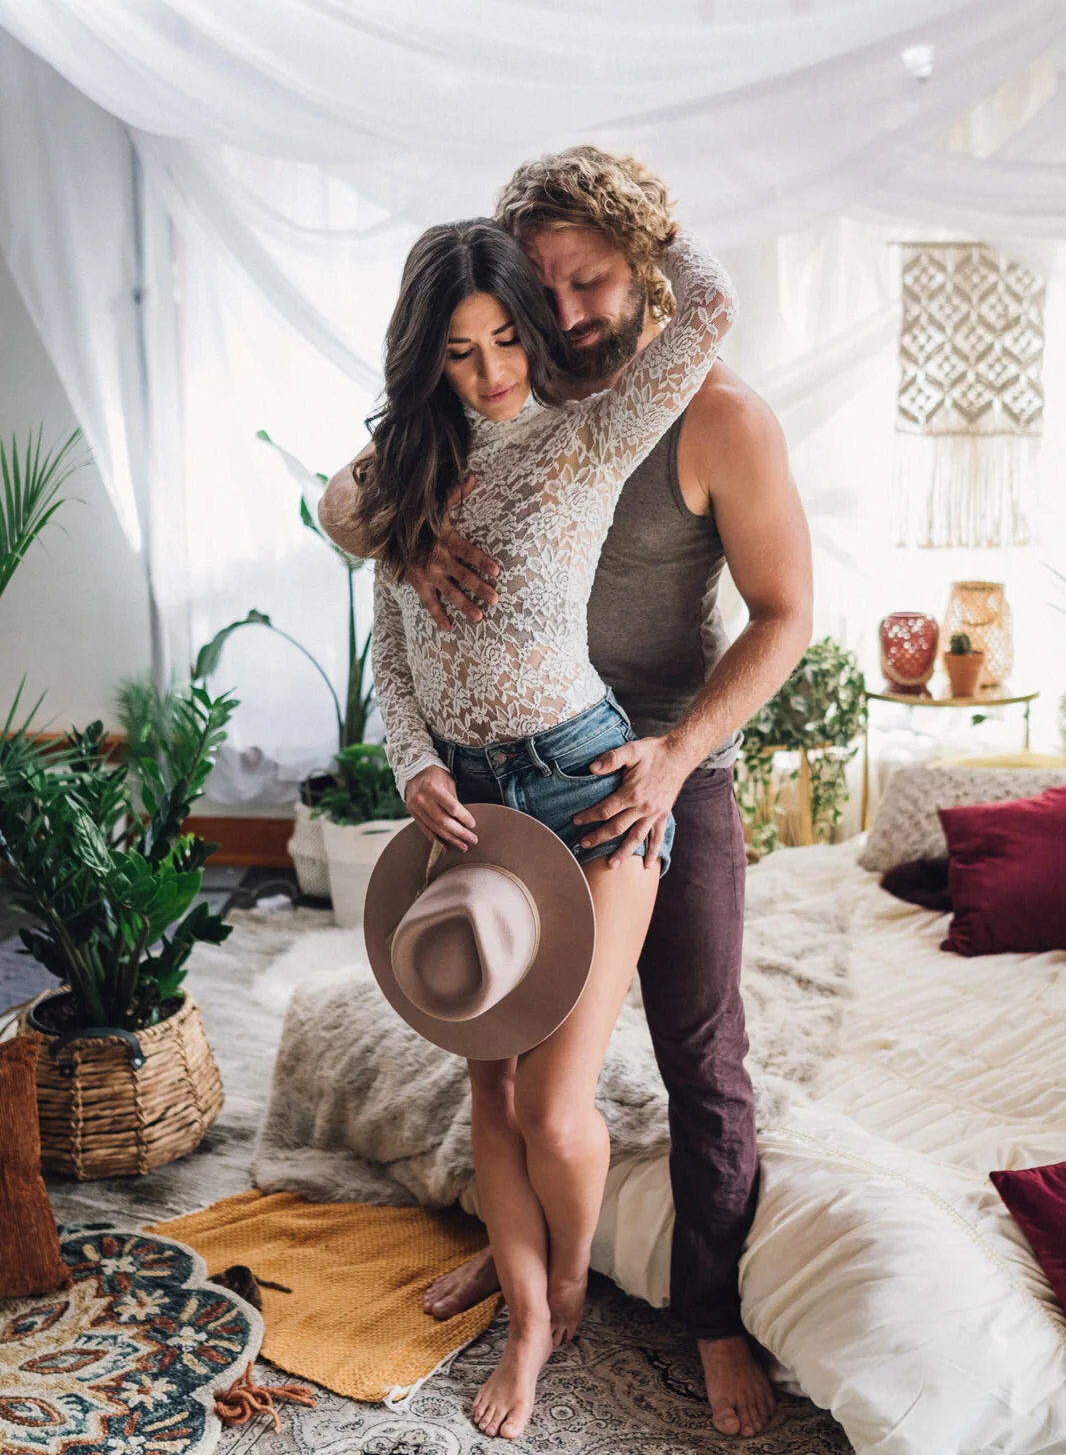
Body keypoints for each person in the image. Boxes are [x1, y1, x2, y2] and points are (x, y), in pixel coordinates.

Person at [321, 149, 811, 1440]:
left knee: (698, 1051)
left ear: (640, 266)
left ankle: (710, 1316)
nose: (562, 313)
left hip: (659, 763)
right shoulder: (474, 415)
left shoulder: (697, 415)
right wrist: (397, 525)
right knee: (500, 1067)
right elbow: (353, 508)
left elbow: (785, 615)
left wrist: (675, 757)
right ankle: (523, 1260)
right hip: (495, 778)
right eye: (537, 288)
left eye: (589, 279)